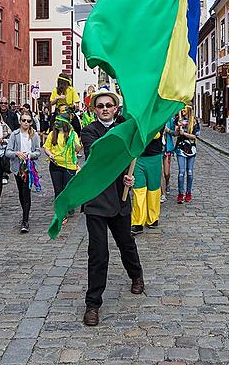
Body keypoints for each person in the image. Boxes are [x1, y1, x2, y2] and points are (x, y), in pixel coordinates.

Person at [80, 89, 144, 327]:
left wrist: (130, 175)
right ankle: (93, 304)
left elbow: (130, 155)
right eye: (100, 106)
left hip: (120, 196)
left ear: (116, 108)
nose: (105, 108)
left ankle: (136, 275)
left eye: (109, 105)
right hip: (96, 198)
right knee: (98, 253)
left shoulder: (126, 128)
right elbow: (96, 154)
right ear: (94, 110)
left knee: (126, 242)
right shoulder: (88, 131)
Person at [6, 112, 41, 233]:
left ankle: (25, 220)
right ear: (20, 121)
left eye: (28, 121)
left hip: (29, 167)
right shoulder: (14, 135)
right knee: (21, 192)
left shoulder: (34, 135)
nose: (26, 123)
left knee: (26, 192)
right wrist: (17, 153)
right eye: (24, 120)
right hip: (17, 168)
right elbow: (8, 152)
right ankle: (24, 212)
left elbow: (38, 152)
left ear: (31, 122)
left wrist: (29, 155)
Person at [44, 111, 81, 223]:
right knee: (58, 190)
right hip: (55, 166)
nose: (56, 124)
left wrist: (72, 140)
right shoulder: (52, 134)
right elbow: (46, 147)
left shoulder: (72, 134)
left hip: (69, 166)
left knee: (67, 188)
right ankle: (62, 213)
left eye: (59, 122)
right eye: (56, 121)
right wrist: (50, 155)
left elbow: (78, 148)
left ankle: (69, 205)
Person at [131, 130, 164, 235]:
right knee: (138, 189)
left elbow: (155, 134)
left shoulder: (159, 116)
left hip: (154, 157)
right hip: (138, 157)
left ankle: (153, 218)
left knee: (153, 189)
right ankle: (138, 222)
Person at [175, 106, 200, 204]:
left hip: (191, 149)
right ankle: (181, 193)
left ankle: (188, 192)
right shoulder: (178, 119)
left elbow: (195, 136)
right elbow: (176, 134)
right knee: (181, 172)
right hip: (180, 148)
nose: (183, 110)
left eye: (185, 108)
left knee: (189, 172)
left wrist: (184, 134)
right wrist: (177, 129)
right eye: (182, 108)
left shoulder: (194, 121)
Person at [0, 97, 18, 184]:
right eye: (2, 103)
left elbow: (16, 127)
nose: (3, 105)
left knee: (6, 157)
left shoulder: (12, 114)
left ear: (7, 104)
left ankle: (5, 174)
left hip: (9, 138)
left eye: (5, 103)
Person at [160, 116, 178, 202]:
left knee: (166, 173)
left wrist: (168, 131)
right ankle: (162, 192)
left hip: (167, 148)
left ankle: (167, 182)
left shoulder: (170, 119)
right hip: (158, 149)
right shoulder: (156, 117)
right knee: (159, 172)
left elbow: (175, 133)